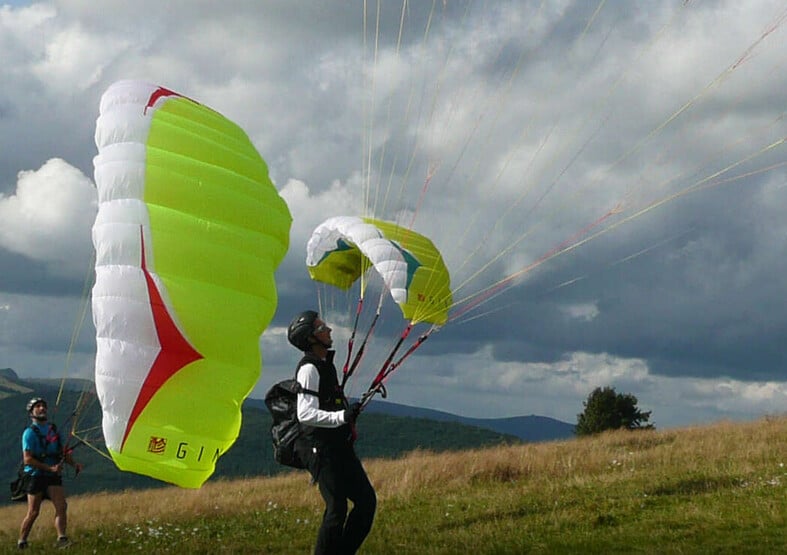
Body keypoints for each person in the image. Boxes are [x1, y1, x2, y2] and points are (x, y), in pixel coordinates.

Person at [287, 310, 377, 555]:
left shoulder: (326, 365)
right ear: (311, 339)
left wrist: (347, 415)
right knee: (336, 508)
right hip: (318, 448)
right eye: (321, 328)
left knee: (366, 502)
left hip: (337, 445)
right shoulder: (309, 369)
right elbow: (305, 413)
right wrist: (340, 417)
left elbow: (329, 404)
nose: (329, 330)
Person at [17, 397, 83, 550]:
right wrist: (49, 469)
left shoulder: (53, 430)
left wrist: (74, 464)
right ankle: (22, 541)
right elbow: (28, 459)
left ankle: (62, 538)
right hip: (35, 474)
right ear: (32, 412)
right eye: (38, 406)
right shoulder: (29, 433)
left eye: (43, 406)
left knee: (61, 506)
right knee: (33, 512)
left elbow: (61, 452)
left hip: (52, 475)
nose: (42, 408)